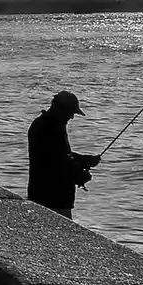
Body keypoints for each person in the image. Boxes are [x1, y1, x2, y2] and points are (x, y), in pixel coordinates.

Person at [27, 90, 102, 219]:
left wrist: (85, 160)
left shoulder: (49, 124)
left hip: (47, 195)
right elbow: (55, 162)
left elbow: (61, 155)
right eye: (71, 112)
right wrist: (79, 175)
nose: (72, 117)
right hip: (52, 197)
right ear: (60, 109)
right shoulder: (47, 128)